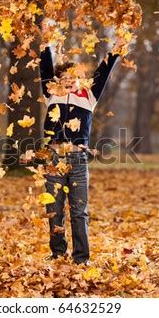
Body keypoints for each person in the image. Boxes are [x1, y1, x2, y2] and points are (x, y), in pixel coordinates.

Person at [39, 45, 119, 265]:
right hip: (54, 160)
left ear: (80, 79)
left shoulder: (89, 96)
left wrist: (116, 51)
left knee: (79, 211)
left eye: (73, 76)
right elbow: (45, 69)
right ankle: (57, 254)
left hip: (78, 161)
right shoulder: (51, 94)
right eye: (64, 76)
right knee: (54, 209)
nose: (68, 80)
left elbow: (103, 72)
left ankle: (81, 258)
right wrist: (45, 45)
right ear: (57, 81)